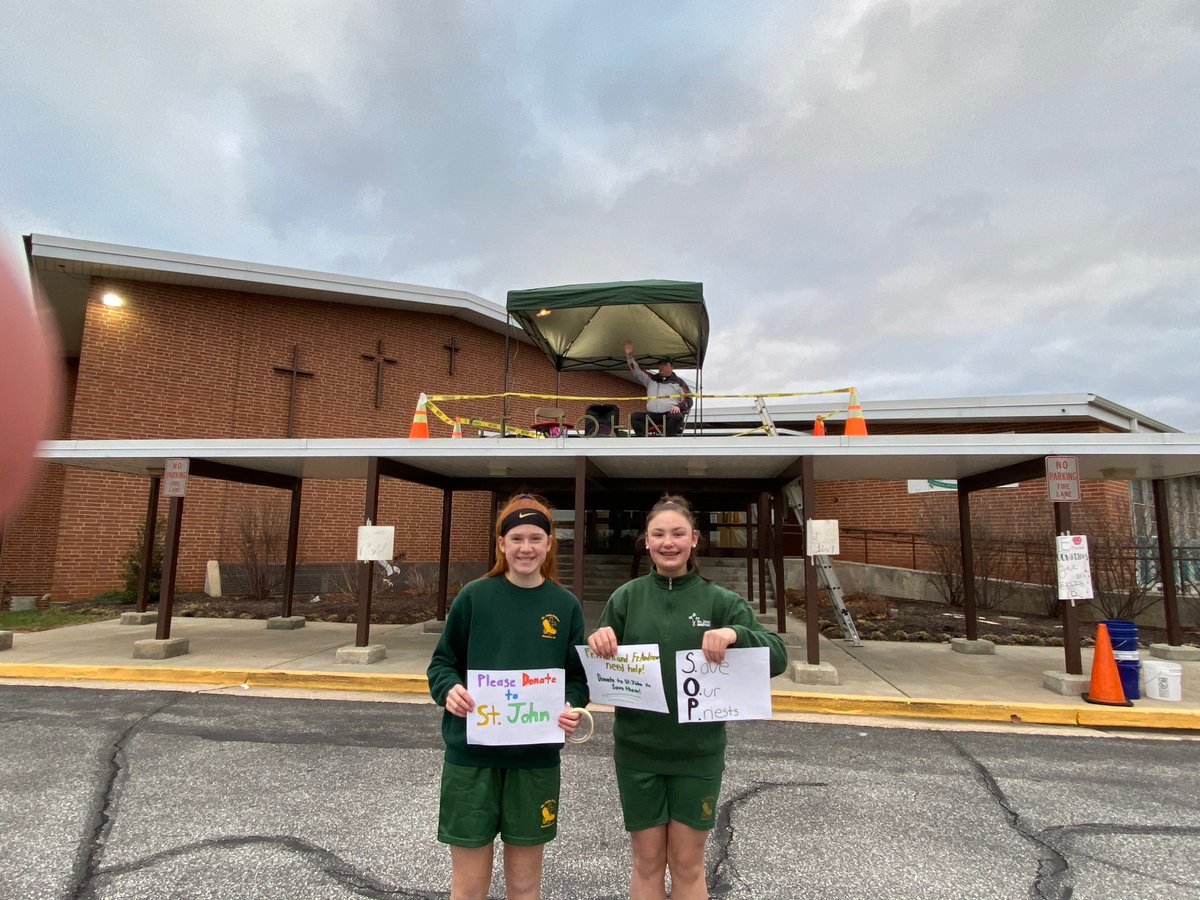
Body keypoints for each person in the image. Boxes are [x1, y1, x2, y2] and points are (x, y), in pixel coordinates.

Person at [588, 495, 788, 900]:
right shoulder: (625, 599)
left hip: (698, 754)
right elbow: (599, 666)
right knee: (646, 863)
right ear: (646, 541)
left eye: (678, 533)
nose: (668, 542)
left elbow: (777, 655)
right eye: (658, 534)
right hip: (637, 752)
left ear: (694, 539)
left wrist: (737, 635)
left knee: (687, 865)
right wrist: (598, 641)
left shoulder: (720, 602)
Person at [427, 493, 589, 900]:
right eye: (516, 538)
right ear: (501, 544)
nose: (526, 548)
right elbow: (442, 665)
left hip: (533, 762)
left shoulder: (564, 605)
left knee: (524, 886)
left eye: (536, 538)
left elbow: (577, 678)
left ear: (550, 544)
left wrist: (571, 706)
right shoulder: (474, 597)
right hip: (472, 758)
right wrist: (450, 691)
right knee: (467, 887)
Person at [625, 339, 692, 436]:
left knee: (676, 416)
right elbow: (637, 371)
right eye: (660, 364)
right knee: (635, 417)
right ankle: (643, 442)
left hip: (668, 415)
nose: (661, 366)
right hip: (652, 415)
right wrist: (629, 357)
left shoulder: (679, 382)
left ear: (671, 367)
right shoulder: (651, 379)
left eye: (665, 364)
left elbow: (689, 400)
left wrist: (679, 406)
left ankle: (669, 442)